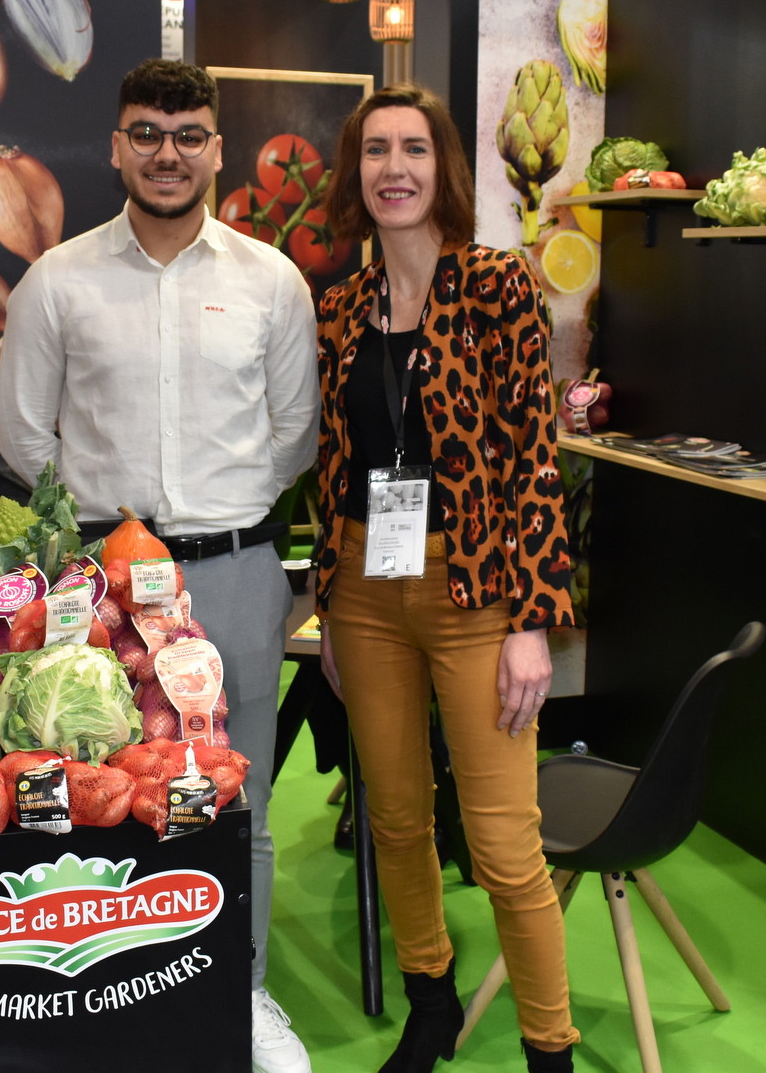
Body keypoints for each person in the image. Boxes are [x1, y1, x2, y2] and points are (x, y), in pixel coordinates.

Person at [0, 59, 317, 1073]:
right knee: (99, 795)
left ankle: (242, 993)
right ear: (116, 146)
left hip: (235, 574)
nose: (165, 154)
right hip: (100, 592)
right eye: (146, 133)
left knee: (239, 803)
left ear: (217, 149)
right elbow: (23, 437)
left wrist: (216, 515)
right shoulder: (58, 280)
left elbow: (295, 435)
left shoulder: (271, 280)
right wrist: (114, 534)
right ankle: (110, 999)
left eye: (186, 136)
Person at [314, 83, 580, 1072]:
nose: (394, 168)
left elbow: (535, 458)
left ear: (444, 168)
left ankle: (548, 1046)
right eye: (375, 149)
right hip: (363, 590)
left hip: (475, 594)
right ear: (356, 173)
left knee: (505, 846)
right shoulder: (341, 307)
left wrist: (531, 621)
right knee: (394, 819)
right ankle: (431, 1003)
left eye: (414, 149)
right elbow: (336, 464)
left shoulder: (498, 285)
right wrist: (329, 606)